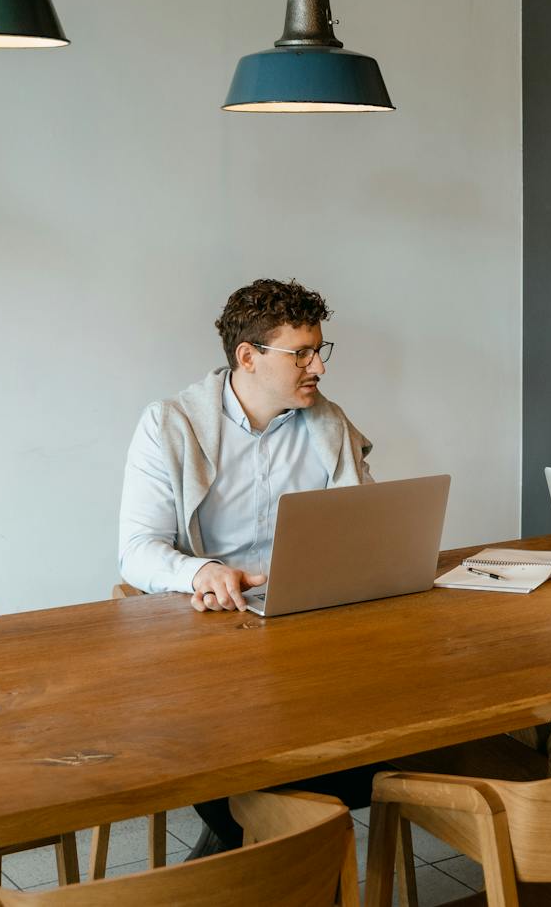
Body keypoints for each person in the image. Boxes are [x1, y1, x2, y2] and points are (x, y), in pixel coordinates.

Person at [118, 278, 377, 855]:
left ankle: (264, 859)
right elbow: (136, 549)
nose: (319, 367)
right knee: (260, 775)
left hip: (309, 637)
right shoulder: (170, 424)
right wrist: (201, 571)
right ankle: (273, 855)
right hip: (211, 640)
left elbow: (363, 527)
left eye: (319, 351)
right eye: (302, 353)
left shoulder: (328, 423)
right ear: (248, 357)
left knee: (372, 734)